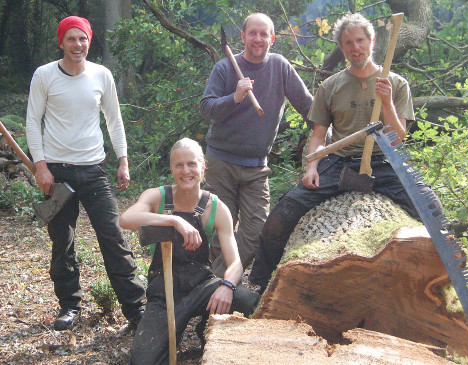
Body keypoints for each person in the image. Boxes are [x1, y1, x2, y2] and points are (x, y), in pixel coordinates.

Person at [248, 13, 443, 291]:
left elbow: (398, 139)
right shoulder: (330, 86)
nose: (355, 48)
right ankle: (262, 286)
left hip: (387, 162)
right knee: (281, 214)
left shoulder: (396, 84)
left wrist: (386, 102)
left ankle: (447, 281)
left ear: (372, 41)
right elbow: (317, 136)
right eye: (348, 42)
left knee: (432, 208)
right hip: (339, 162)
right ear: (341, 48)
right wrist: (312, 167)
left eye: (360, 40)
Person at [25, 15, 145, 330]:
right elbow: (32, 121)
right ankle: (69, 306)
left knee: (113, 237)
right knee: (62, 242)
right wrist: (40, 165)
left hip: (93, 170)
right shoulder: (44, 76)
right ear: (61, 42)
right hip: (57, 175)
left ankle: (136, 309)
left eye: (83, 39)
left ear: (89, 41)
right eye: (71, 39)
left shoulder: (101, 75)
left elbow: (114, 120)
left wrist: (123, 159)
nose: (78, 45)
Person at [120, 138, 259, 364]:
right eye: (179, 165)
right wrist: (173, 220)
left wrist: (228, 286)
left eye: (192, 164)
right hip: (164, 291)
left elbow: (235, 264)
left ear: (203, 166)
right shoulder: (157, 196)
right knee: (144, 361)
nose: (186, 171)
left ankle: (208, 328)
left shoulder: (216, 207)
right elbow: (126, 219)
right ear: (172, 168)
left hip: (201, 286)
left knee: (247, 301)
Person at [200, 13, 313, 277]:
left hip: (256, 168)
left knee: (254, 233)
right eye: (253, 33)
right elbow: (206, 108)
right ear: (243, 36)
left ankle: (209, 287)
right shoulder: (226, 68)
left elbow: (309, 107)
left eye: (264, 34)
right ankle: (219, 296)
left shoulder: (280, 67)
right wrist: (235, 97)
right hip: (221, 163)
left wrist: (329, 136)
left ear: (272, 39)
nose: (258, 39)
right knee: (219, 234)